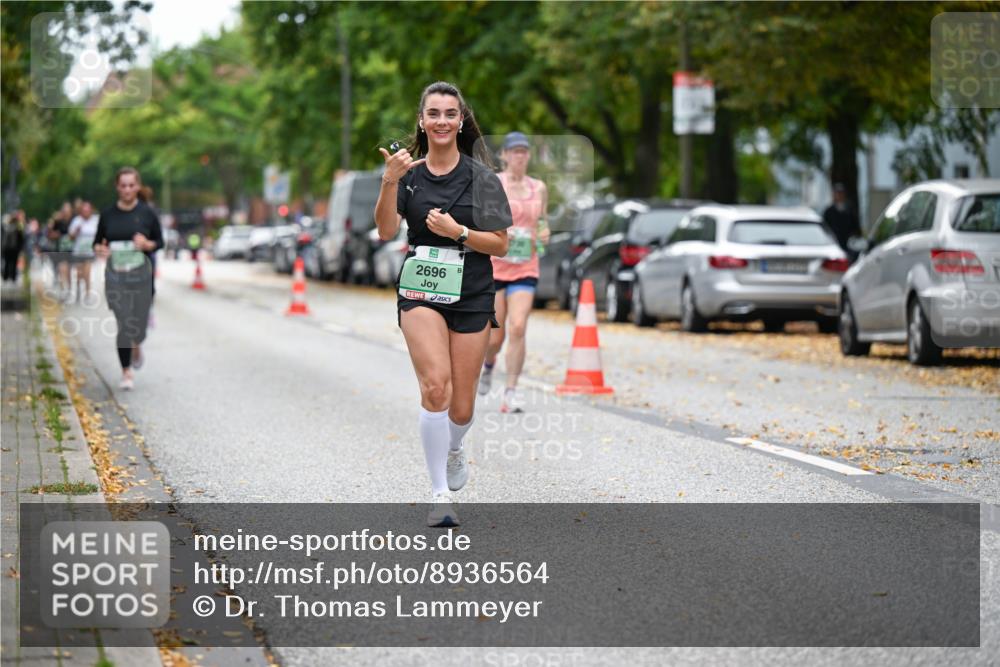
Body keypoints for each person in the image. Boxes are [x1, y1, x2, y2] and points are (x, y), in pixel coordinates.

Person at [375, 81, 512, 527]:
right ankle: (439, 495)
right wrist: (389, 181)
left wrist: (460, 233)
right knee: (436, 386)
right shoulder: (408, 176)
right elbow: (383, 230)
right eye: (432, 113)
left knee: (462, 407)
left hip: (471, 289)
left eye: (449, 114)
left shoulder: (483, 179)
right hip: (420, 289)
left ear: (460, 121)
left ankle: (454, 447)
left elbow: (502, 245)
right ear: (422, 120)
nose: (440, 121)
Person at [478, 132, 550, 413]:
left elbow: (542, 223)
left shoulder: (539, 188)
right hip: (496, 266)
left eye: (524, 151)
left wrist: (543, 234)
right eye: (514, 151)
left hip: (525, 267)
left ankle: (511, 391)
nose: (520, 156)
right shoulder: (494, 183)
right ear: (505, 155)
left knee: (518, 327)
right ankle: (488, 364)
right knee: (494, 338)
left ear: (528, 155)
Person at [93, 167, 163, 390]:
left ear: (138, 187)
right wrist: (100, 250)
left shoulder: (147, 213)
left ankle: (136, 343)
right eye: (123, 185)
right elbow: (97, 242)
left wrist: (146, 244)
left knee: (138, 327)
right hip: (116, 277)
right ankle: (126, 372)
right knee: (124, 323)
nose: (127, 190)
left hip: (142, 277)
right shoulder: (107, 214)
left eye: (131, 185)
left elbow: (159, 242)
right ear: (117, 187)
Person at [68, 200, 99, 302]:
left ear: (91, 210)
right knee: (79, 274)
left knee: (87, 273)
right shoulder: (77, 221)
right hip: (78, 251)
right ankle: (77, 291)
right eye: (84, 210)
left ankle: (87, 294)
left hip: (89, 251)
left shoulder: (96, 220)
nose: (86, 212)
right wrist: (76, 232)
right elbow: (70, 237)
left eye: (87, 210)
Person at [823, 183, 861, 255]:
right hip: (833, 244)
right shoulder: (828, 212)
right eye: (837, 193)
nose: (839, 195)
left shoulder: (850, 210)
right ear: (834, 195)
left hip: (849, 245)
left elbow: (856, 228)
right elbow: (825, 229)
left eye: (841, 193)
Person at [1, 211, 26, 282]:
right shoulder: (18, 227)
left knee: (6, 262)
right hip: (15, 249)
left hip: (6, 248)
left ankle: (5, 277)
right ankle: (13, 278)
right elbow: (21, 238)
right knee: (14, 263)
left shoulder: (4, 226)